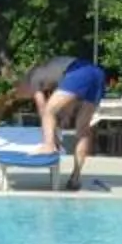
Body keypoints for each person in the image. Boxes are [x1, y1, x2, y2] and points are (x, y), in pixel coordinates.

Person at [25, 56, 110, 190]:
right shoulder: (54, 72)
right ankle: (75, 177)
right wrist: (65, 117)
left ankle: (48, 146)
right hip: (97, 74)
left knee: (48, 110)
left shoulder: (33, 78)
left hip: (78, 70)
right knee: (83, 129)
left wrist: (50, 139)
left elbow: (42, 108)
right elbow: (70, 99)